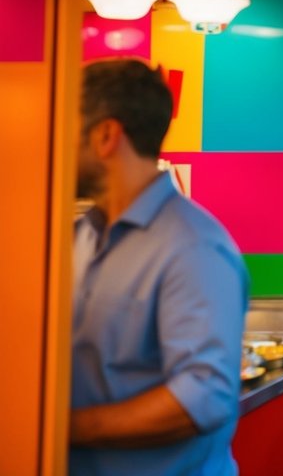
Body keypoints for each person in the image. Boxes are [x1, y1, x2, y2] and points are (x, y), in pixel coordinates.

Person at [71, 58, 249, 475]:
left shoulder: (194, 248)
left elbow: (201, 400)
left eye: (63, 128)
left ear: (105, 136)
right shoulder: (76, 238)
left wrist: (64, 427)